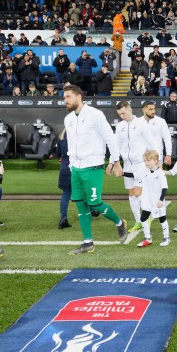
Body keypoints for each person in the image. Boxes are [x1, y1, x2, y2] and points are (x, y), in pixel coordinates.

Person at [62, 85, 128, 255]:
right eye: (64, 97)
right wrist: (71, 165)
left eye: (68, 97)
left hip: (93, 166)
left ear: (78, 97)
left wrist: (115, 161)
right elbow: (71, 144)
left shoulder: (95, 115)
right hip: (75, 168)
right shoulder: (68, 119)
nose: (65, 100)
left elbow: (110, 138)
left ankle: (119, 222)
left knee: (94, 203)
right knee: (80, 204)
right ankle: (87, 242)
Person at [115, 100, 153, 233]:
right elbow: (116, 145)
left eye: (123, 113)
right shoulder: (120, 126)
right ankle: (138, 221)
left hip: (140, 165)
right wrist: (113, 162)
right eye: (119, 114)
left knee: (138, 193)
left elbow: (151, 142)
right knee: (131, 194)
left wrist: (155, 161)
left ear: (129, 109)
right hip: (127, 165)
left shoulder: (141, 124)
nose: (122, 116)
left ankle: (146, 217)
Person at [135, 150, 171, 247]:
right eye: (145, 161)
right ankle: (147, 238)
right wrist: (122, 173)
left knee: (162, 218)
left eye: (148, 160)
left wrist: (160, 200)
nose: (146, 163)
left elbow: (164, 187)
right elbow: (134, 175)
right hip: (147, 200)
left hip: (157, 201)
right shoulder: (144, 172)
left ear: (155, 160)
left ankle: (166, 237)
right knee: (143, 218)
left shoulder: (160, 173)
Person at [142, 100, 173, 167]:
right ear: (144, 110)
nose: (153, 111)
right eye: (150, 109)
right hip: (142, 155)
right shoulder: (138, 122)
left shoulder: (161, 121)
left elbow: (167, 138)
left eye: (154, 109)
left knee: (157, 176)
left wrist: (168, 154)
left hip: (157, 154)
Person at [56, 131, 72, 229]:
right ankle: (91, 210)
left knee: (66, 193)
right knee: (82, 191)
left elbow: (58, 152)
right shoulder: (79, 134)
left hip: (64, 167)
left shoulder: (61, 137)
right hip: (76, 167)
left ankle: (63, 219)